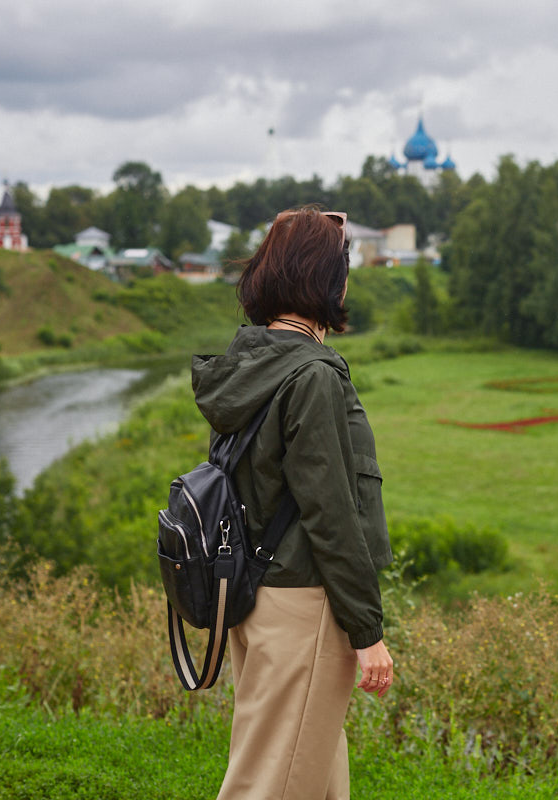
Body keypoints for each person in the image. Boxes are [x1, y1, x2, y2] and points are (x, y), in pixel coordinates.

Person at [192, 206, 394, 799]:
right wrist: (367, 630)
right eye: (343, 267)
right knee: (268, 787)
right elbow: (331, 514)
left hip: (256, 600)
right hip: (303, 607)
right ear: (325, 281)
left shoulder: (252, 362)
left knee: (316, 779)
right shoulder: (313, 376)